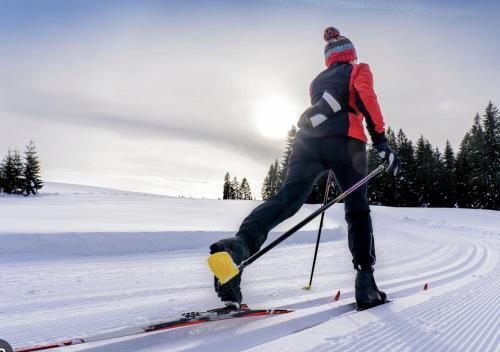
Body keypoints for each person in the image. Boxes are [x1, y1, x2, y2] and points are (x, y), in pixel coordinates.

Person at [210, 27, 400, 310]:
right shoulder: (358, 70)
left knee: (288, 198)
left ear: (328, 58)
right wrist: (382, 141)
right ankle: (365, 282)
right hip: (346, 143)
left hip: (307, 142)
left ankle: (240, 245)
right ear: (350, 53)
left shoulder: (317, 81)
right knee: (357, 210)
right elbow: (365, 98)